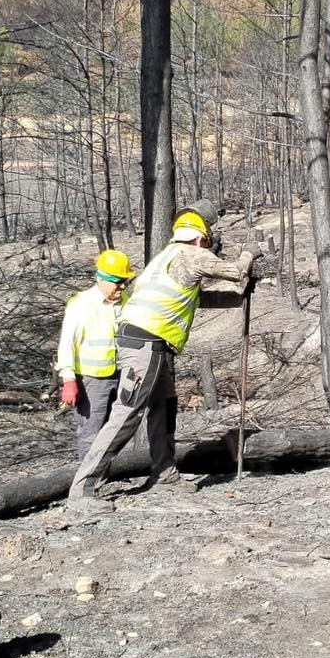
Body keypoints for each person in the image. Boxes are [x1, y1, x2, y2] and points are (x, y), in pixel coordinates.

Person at [66, 207, 260, 516]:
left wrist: (241, 294)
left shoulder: (164, 261)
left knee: (164, 406)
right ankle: (83, 489)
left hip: (148, 344)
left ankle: (164, 472)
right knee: (126, 414)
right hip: (146, 345)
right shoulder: (189, 254)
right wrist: (249, 254)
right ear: (199, 238)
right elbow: (236, 270)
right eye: (206, 243)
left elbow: (205, 298)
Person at [56, 249, 137, 460]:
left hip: (122, 376)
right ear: (101, 279)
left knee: (117, 430)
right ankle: (87, 481)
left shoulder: (128, 301)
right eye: (117, 281)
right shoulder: (81, 305)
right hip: (92, 380)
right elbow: (67, 344)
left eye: (125, 282)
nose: (121, 286)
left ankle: (115, 474)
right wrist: (68, 379)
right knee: (91, 433)